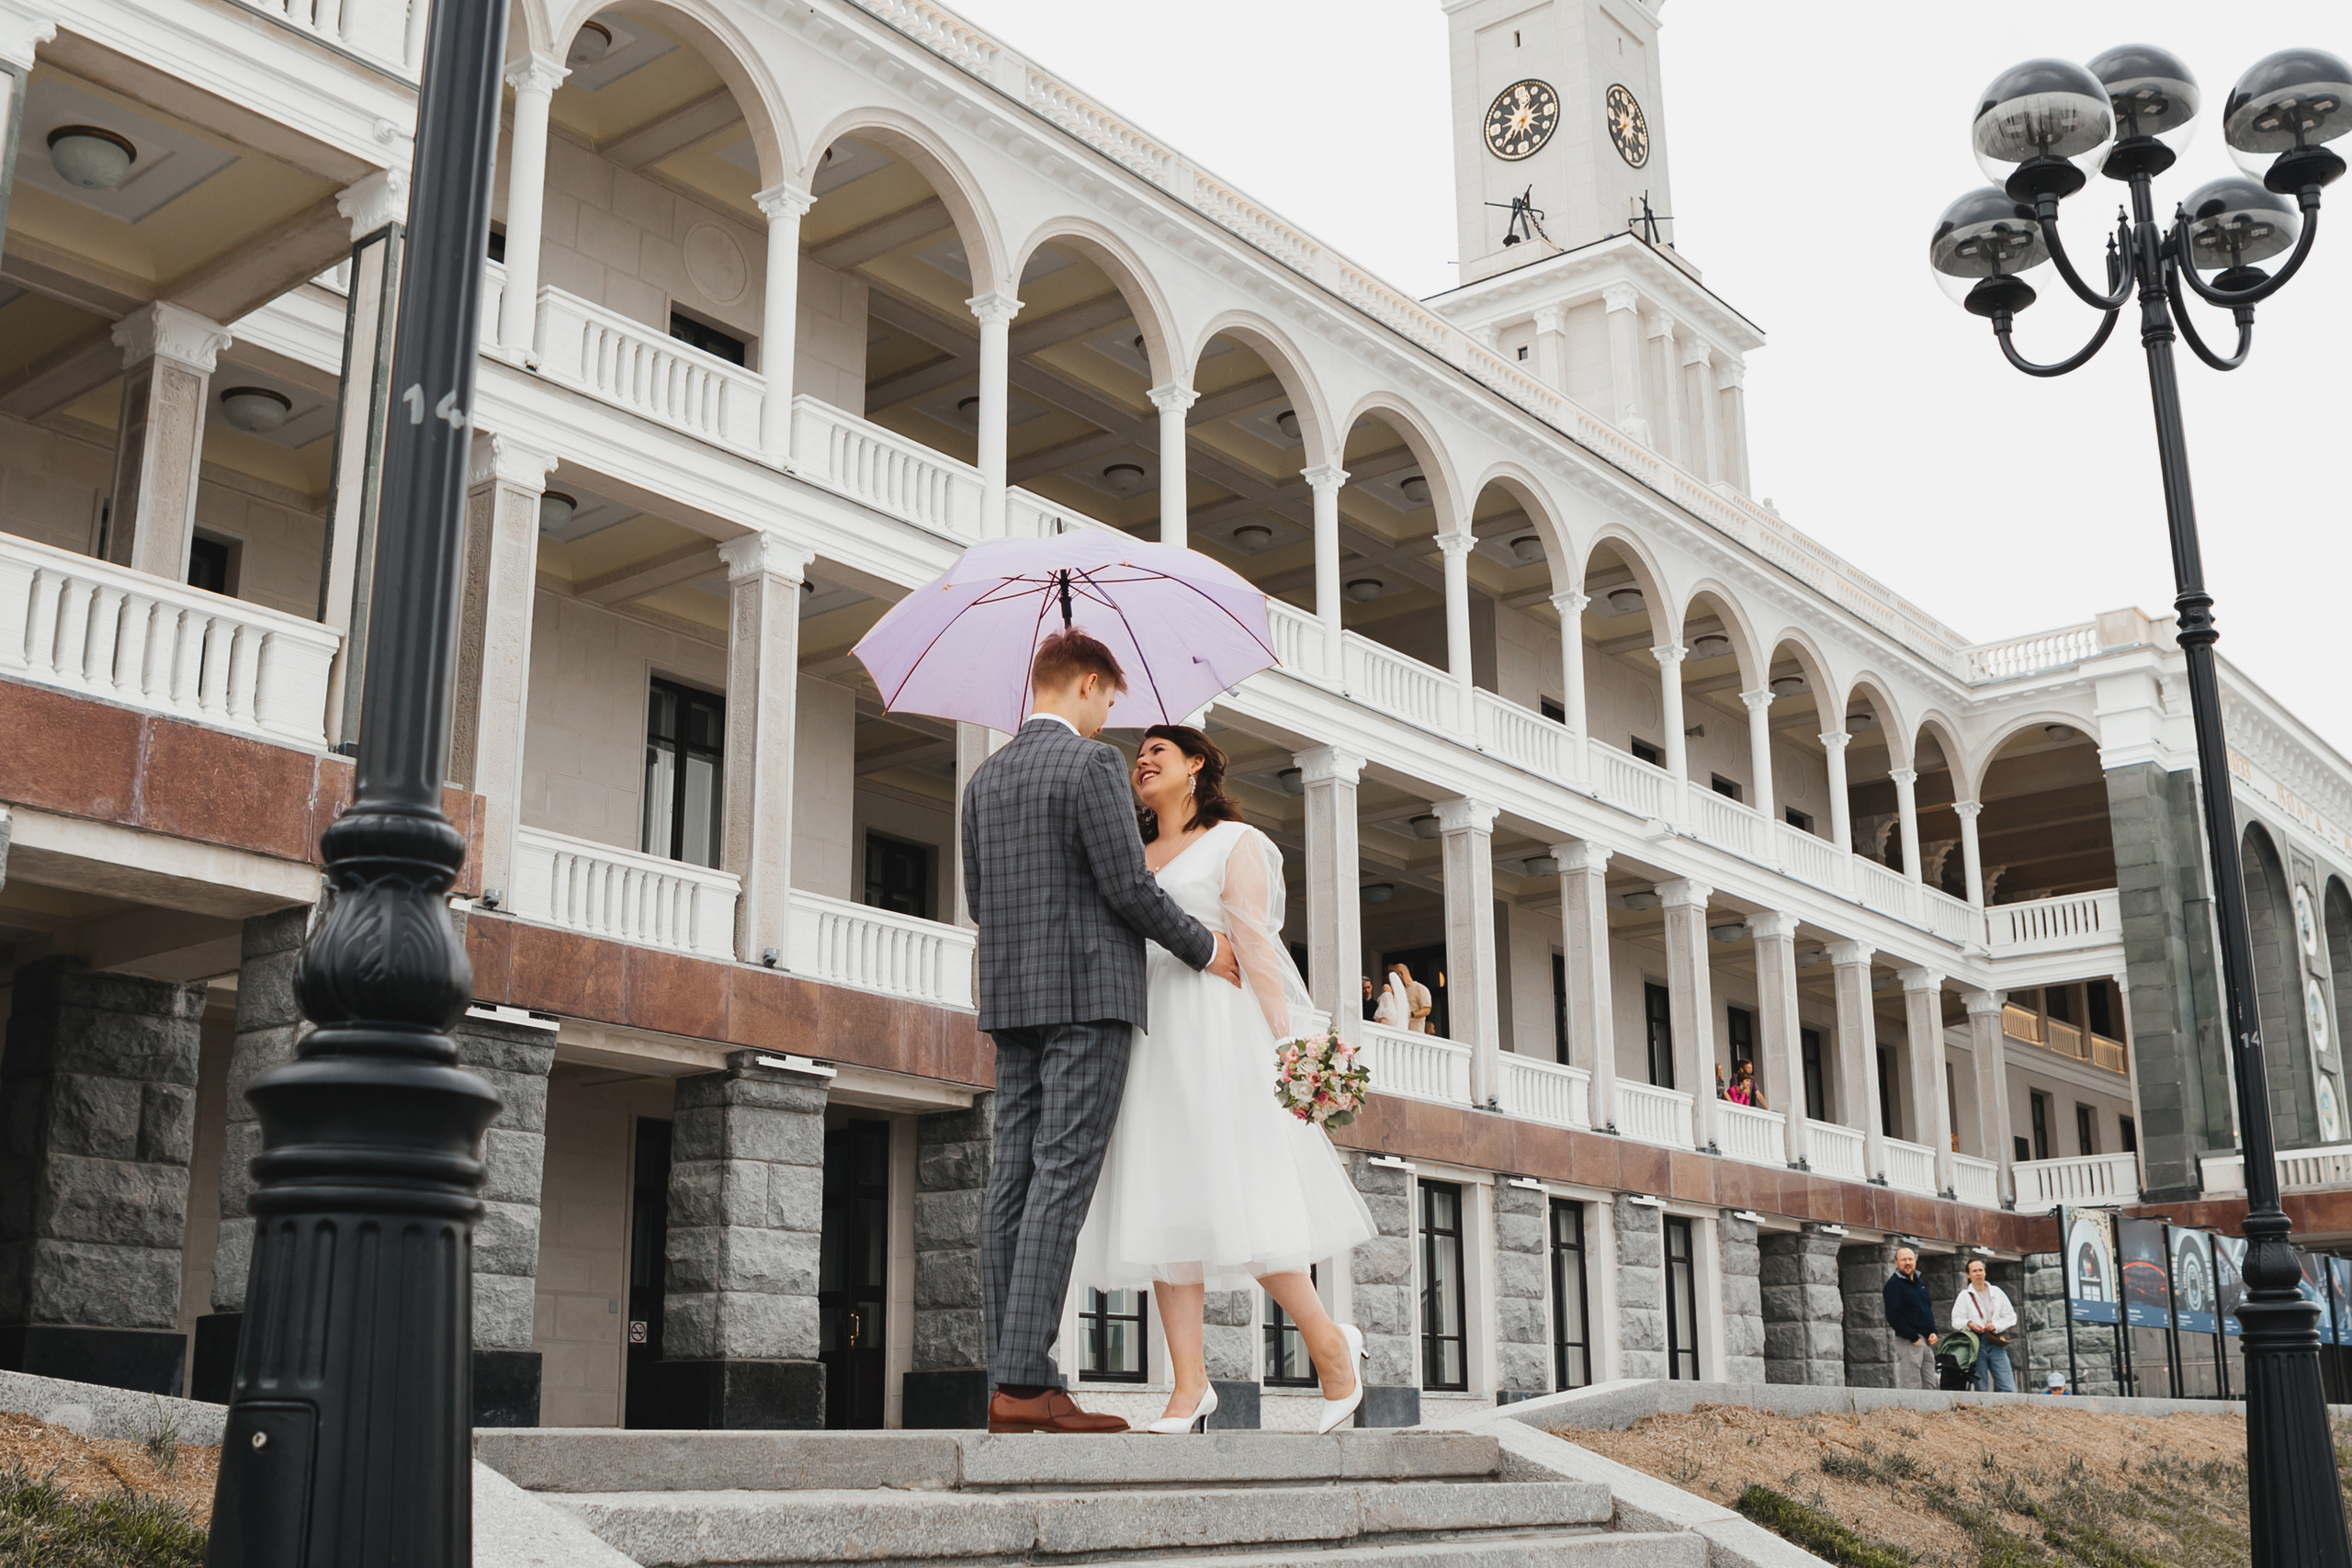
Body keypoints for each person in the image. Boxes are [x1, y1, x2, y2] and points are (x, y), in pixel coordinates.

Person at [961, 630, 1243, 1436]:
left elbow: (981, 899)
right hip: (1089, 997)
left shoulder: (984, 777)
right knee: (1060, 1178)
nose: (1109, 717)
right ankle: (1025, 1384)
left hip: (1012, 1001)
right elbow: (1126, 883)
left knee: (1011, 1180)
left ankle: (1012, 1378)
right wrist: (1204, 946)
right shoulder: (1089, 767)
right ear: (1087, 683)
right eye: (1110, 700)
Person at [1074, 723, 1378, 1436]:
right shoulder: (1133, 854)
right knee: (1163, 1204)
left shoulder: (1235, 843)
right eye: (1137, 755)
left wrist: (1286, 1046)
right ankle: (1189, 1386)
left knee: (1241, 1201)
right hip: (1149, 1036)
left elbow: (1257, 948)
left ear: (1197, 764)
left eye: (1157, 751)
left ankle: (1332, 1348)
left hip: (1217, 1031)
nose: (1141, 762)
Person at [1952, 1257, 2018, 1392]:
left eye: (1981, 1270)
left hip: (1995, 1339)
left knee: (2007, 1384)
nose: (1978, 1273)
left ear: (1985, 1272)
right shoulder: (1964, 1296)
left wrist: (1996, 1325)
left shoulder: (1997, 1292)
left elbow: (2011, 1317)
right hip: (1976, 1342)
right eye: (1974, 1271)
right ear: (1968, 1275)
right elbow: (1956, 1321)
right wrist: (1969, 1324)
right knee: (1980, 1384)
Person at [1883, 1246, 1939, 1390]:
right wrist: (1913, 1338)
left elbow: (1927, 1308)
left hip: (1925, 1341)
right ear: (1896, 1263)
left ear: (1915, 1261)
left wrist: (1933, 1332)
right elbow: (1893, 1316)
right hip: (1909, 1342)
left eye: (1910, 1259)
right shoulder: (1894, 1285)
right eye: (1903, 1260)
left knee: (1930, 1385)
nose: (1907, 1262)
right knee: (1911, 1385)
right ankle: (1911, 1411)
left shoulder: (1920, 1283)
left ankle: (1929, 1412)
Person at [1391, 961, 1433, 1033]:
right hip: (1402, 1032)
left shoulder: (1419, 988)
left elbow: (1426, 1010)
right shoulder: (1400, 991)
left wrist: (1411, 1014)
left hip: (1415, 1033)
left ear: (1401, 974)